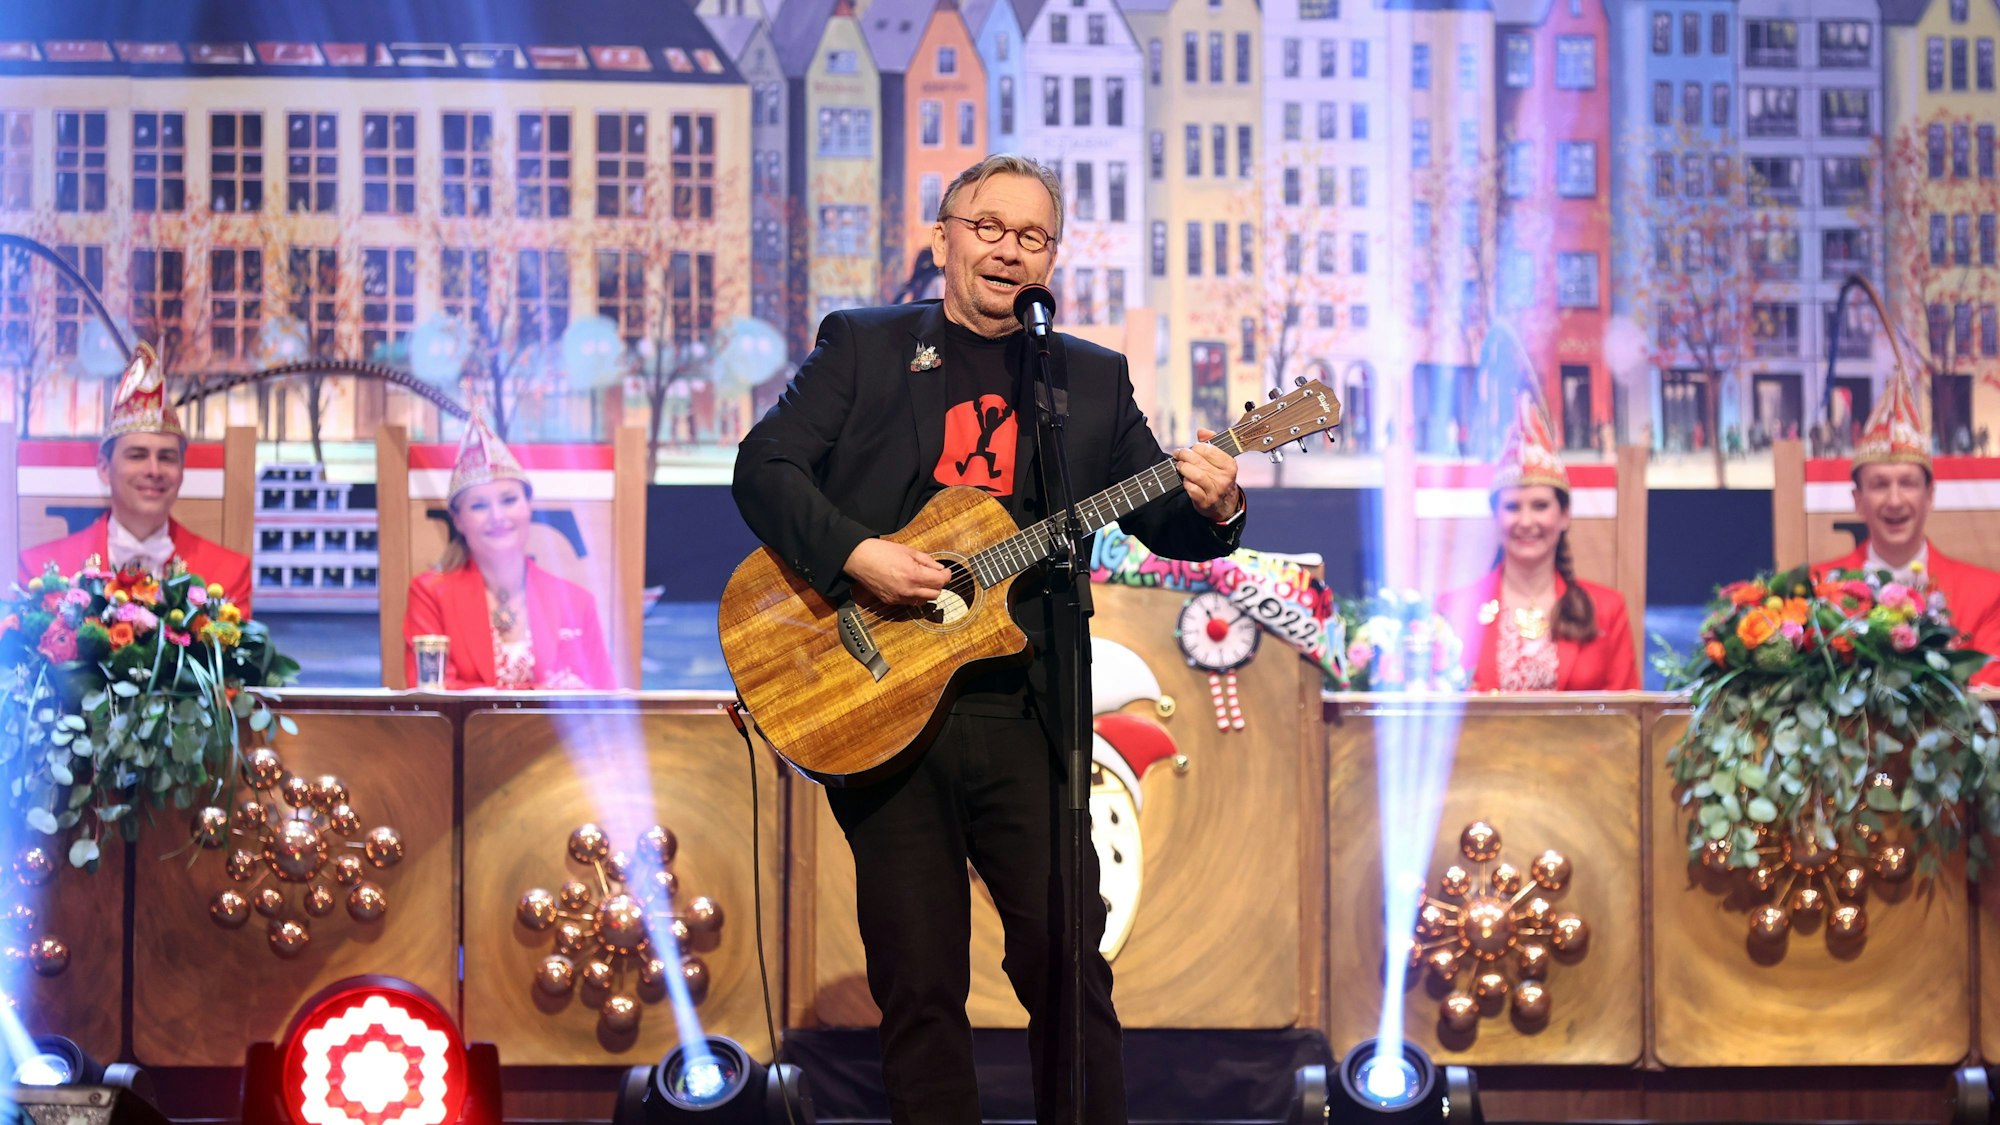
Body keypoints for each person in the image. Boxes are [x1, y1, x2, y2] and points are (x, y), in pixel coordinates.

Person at [732, 154, 1245, 1125]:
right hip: (883, 703)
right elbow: (763, 468)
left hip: (1031, 711)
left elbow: (1161, 518)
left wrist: (1218, 505)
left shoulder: (1088, 378)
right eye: (989, 228)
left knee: (1067, 966)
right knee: (920, 983)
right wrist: (858, 556)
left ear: (1052, 257)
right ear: (944, 238)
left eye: (1032, 236)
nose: (1009, 250)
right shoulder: (864, 346)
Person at [18, 341, 253, 610]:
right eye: (137, 455)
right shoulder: (40, 573)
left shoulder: (227, 575)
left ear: (181, 470)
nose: (154, 470)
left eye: (166, 457)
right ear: (104, 468)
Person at [1438, 394, 1639, 692]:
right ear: (1495, 516)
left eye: (1540, 506)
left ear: (1564, 515)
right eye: (1512, 507)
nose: (1526, 521)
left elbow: (1628, 715)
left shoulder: (1607, 610)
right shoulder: (1452, 611)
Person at [401, 411, 614, 690]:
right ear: (459, 520)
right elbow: (432, 694)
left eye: (509, 500)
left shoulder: (577, 602)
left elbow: (606, 700)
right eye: (479, 505)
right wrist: (540, 693)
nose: (497, 516)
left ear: (528, 507)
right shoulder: (430, 596)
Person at [1812, 373, 2000, 687]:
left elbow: (1990, 698)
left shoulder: (1987, 595)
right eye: (1879, 485)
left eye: (1908, 483)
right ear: (1858, 500)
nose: (1895, 500)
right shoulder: (1817, 590)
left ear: (1930, 496)